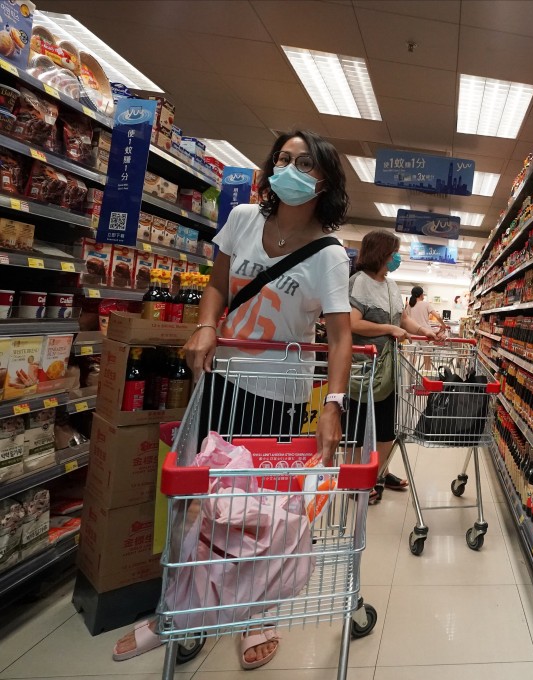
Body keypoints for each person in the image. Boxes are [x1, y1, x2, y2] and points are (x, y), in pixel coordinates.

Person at [112, 129, 354, 671]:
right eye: (283, 159)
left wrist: (334, 404)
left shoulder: (331, 256)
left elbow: (339, 337)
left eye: (305, 164)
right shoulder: (243, 219)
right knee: (197, 504)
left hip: (280, 397)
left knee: (263, 516)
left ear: (324, 182)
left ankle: (257, 617)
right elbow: (217, 285)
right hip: (221, 382)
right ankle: (182, 608)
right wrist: (204, 324)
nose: (289, 169)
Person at [348, 230, 439, 504]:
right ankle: (355, 479)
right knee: (357, 428)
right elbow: (352, 323)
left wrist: (426, 331)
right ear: (380, 253)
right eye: (394, 252)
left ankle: (378, 474)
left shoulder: (390, 285)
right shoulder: (358, 282)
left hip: (388, 368)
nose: (397, 257)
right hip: (362, 367)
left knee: (386, 427)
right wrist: (387, 328)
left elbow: (403, 320)